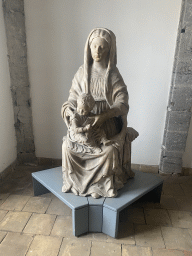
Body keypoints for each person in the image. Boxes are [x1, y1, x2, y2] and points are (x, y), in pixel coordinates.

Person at [61, 28, 138, 198]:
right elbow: (72, 98)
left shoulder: (113, 75)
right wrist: (70, 111)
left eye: (102, 47)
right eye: (94, 46)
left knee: (108, 151)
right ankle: (74, 182)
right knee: (67, 146)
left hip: (106, 125)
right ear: (88, 48)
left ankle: (102, 186)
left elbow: (122, 104)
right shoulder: (82, 73)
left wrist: (103, 116)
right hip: (83, 121)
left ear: (110, 50)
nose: (97, 51)